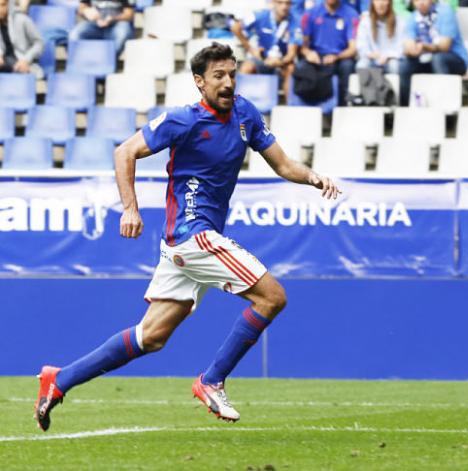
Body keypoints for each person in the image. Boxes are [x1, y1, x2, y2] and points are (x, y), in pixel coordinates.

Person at [34, 43, 341, 432]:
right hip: (192, 235)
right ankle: (211, 379)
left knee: (151, 336)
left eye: (232, 73)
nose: (228, 82)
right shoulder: (183, 120)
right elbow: (124, 152)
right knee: (272, 296)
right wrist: (130, 208)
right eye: (219, 76)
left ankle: (58, 381)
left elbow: (282, 164)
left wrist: (312, 177)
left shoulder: (245, 113)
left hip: (191, 244)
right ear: (200, 82)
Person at [400, 0, 468, 106]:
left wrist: (424, 46)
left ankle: (445, 108)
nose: (421, 2)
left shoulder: (445, 11)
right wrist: (411, 50)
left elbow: (445, 46)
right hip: (427, 59)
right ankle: (405, 107)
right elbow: (409, 43)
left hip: (455, 59)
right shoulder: (412, 17)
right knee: (405, 65)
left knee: (438, 59)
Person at [231, 0, 300, 98]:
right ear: (273, 3)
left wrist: (279, 62)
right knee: (246, 67)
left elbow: (291, 54)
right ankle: (238, 105)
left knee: (291, 68)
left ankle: (289, 106)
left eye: (287, 3)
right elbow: (234, 26)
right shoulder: (260, 15)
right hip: (261, 59)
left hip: (282, 62)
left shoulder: (295, 21)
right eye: (280, 2)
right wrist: (250, 49)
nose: (284, 7)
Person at [300, 0, 360, 106]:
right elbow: (303, 46)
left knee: (347, 66)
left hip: (341, 56)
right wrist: (309, 53)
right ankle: (305, 105)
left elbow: (353, 48)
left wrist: (337, 57)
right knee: (301, 66)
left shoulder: (351, 14)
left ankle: (343, 105)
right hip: (317, 56)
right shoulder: (310, 13)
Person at [356, 0, 406, 74]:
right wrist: (372, 55)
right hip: (371, 59)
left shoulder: (399, 21)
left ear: (389, 2)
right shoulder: (365, 21)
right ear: (373, 2)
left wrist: (387, 56)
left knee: (395, 66)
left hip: (390, 59)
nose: (380, 4)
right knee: (361, 65)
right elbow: (361, 46)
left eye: (384, 0)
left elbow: (401, 47)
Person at [69, 0, 134, 54]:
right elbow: (81, 9)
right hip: (93, 24)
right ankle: (83, 61)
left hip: (117, 23)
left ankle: (107, 60)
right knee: (74, 34)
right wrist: (86, 12)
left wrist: (113, 18)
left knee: (123, 34)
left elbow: (129, 15)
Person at [0, 0, 43, 76]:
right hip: (4, 64)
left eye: (3, 5)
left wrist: (25, 60)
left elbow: (39, 43)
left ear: (9, 5)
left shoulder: (22, 20)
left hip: (21, 62)